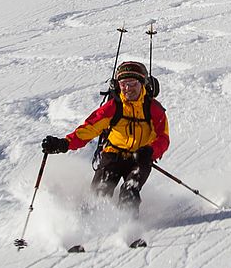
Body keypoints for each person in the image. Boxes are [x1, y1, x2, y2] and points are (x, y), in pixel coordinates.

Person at [41, 60, 170, 210]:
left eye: (133, 83)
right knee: (98, 193)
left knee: (130, 191)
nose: (128, 88)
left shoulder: (154, 109)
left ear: (142, 84)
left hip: (140, 158)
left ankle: (128, 227)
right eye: (123, 83)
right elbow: (89, 129)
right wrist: (64, 143)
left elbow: (163, 138)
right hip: (113, 155)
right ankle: (87, 224)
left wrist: (150, 151)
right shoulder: (113, 107)